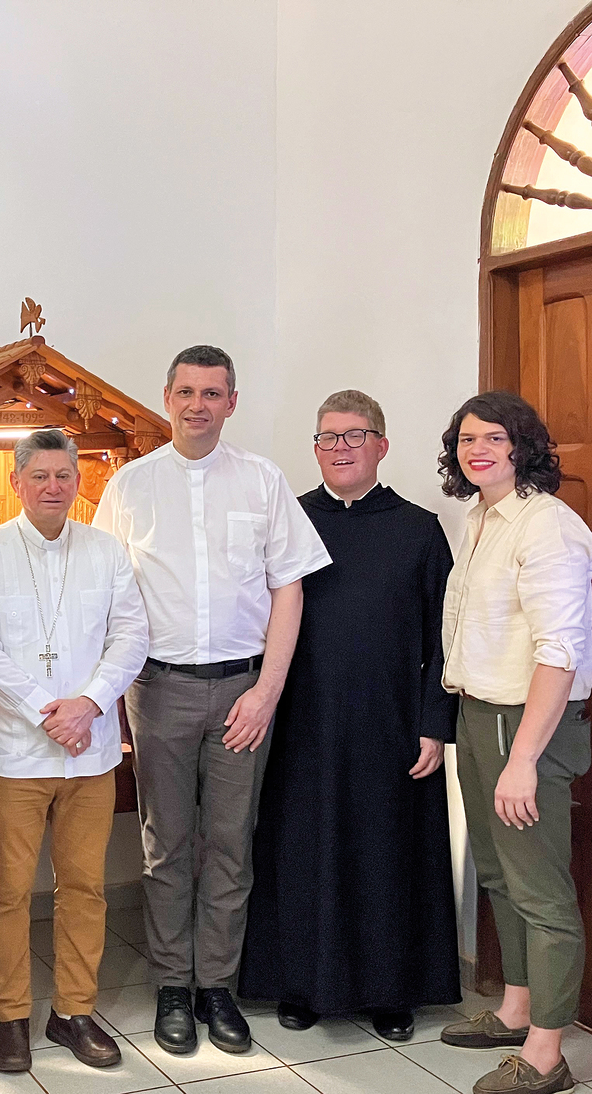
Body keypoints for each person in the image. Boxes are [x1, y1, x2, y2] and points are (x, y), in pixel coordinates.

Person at [93, 345, 330, 1055]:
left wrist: (266, 691)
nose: (198, 404)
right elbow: (107, 594)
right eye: (187, 391)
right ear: (167, 397)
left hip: (241, 691)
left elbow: (290, 588)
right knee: (166, 844)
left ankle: (216, 988)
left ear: (233, 402)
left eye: (213, 393)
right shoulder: (130, 487)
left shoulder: (262, 481)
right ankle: (172, 985)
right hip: (157, 687)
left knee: (230, 844)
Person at [238, 389, 461, 1040]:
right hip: (303, 725)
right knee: (303, 854)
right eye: (327, 437)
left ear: (381, 446)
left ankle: (392, 992)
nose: (339, 448)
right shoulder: (290, 522)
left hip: (391, 728)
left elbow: (445, 635)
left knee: (387, 856)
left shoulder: (419, 529)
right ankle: (300, 985)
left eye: (353, 436)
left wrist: (434, 723)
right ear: (314, 449)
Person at [0, 429, 149, 1074]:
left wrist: (88, 704)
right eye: (39, 476)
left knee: (85, 888)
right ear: (17, 482)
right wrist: (48, 708)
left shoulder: (106, 551)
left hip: (90, 753)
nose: (52, 487)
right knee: (7, 893)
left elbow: (131, 635)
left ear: (76, 481)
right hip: (13, 752)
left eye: (63, 476)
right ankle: (11, 1017)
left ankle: (73, 1012)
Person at [436, 392, 592, 1094]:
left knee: (541, 893)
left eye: (494, 438)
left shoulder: (547, 526)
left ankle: (546, 1055)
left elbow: (560, 651)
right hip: (478, 714)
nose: (478, 449)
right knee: (498, 874)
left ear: (522, 445)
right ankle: (516, 1009)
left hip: (524, 723)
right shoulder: (481, 518)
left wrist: (524, 757)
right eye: (467, 438)